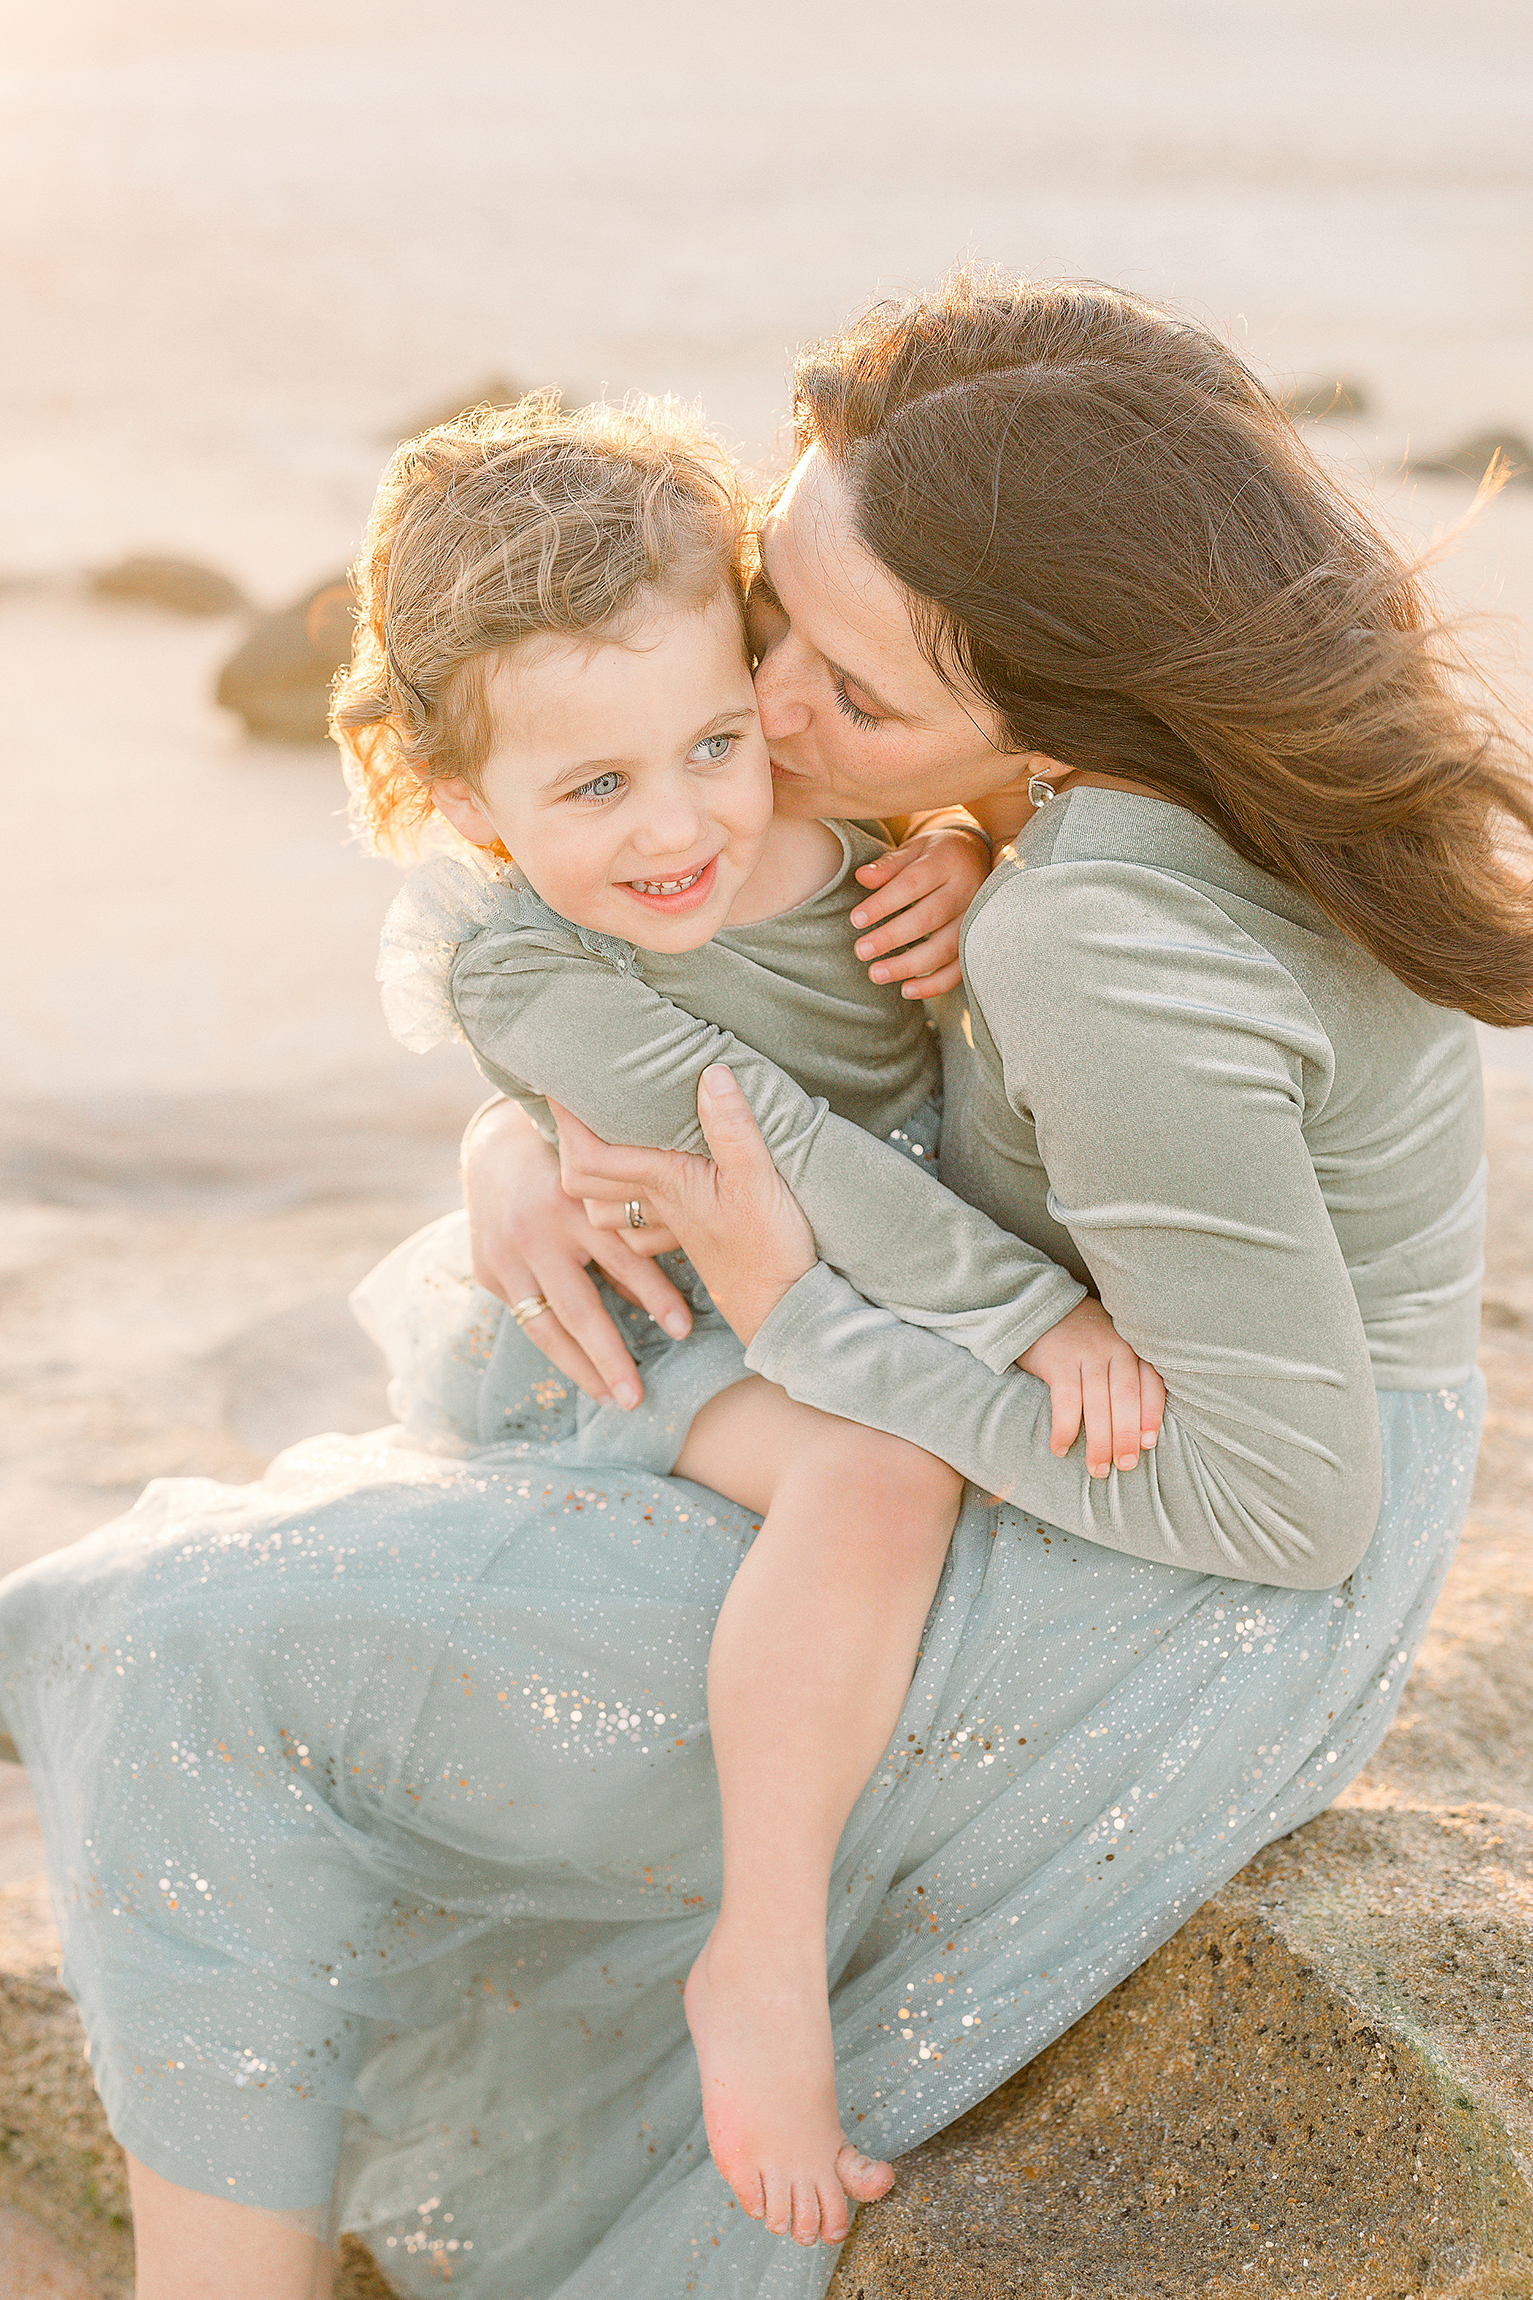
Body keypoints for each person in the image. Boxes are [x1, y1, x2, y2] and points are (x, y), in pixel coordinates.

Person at [1, 270, 1522, 2300]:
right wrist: (518, 1135)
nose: (776, 726)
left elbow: (1276, 1497)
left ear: (1058, 697)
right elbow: (704, 1027)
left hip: (1146, 1565)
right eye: (769, 618)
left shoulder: (1086, 929)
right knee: (228, 1618)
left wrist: (807, 1324)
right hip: (1050, 1420)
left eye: (844, 689)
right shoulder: (1114, 803)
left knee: (193, 1649)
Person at [332, 391, 1164, 2237]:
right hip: (670, 1311)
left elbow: (956, 816)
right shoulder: (522, 952)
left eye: (712, 740)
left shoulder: (809, 803)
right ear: (463, 803)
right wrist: (1033, 1321)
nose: (680, 823)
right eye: (594, 788)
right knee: (882, 1472)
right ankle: (760, 1963)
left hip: (859, 1264)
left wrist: (965, 867)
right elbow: (777, 1155)